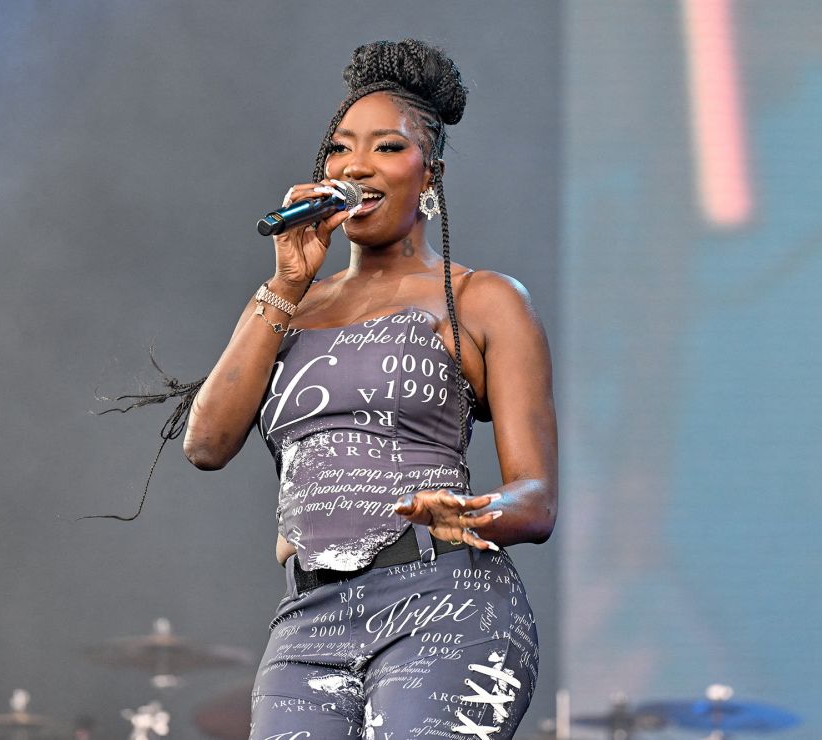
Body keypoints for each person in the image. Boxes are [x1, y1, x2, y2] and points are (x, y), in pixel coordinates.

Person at [182, 39, 557, 739]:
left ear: (431, 177)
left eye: (387, 148)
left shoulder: (483, 299)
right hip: (307, 623)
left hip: (444, 601)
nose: (356, 165)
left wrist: (471, 513)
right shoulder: (290, 305)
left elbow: (535, 498)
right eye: (340, 150)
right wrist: (286, 284)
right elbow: (204, 443)